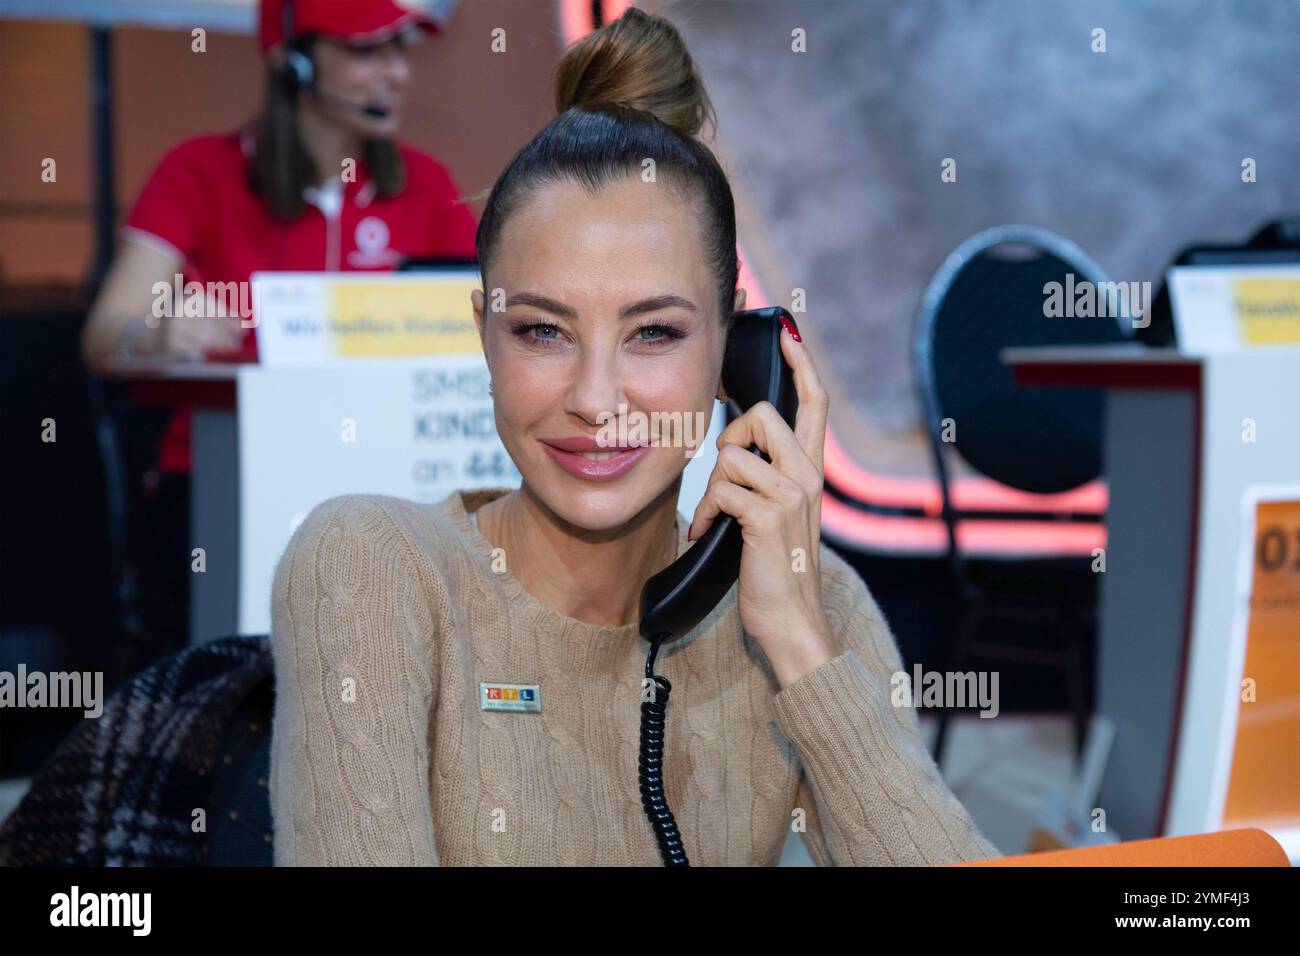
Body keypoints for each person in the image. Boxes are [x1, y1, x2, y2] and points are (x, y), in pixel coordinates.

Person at [268, 8, 1000, 866]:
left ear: (738, 352)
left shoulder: (815, 601)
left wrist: (799, 644)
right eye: (542, 331)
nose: (593, 397)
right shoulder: (375, 566)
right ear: (484, 335)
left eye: (654, 333)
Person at [80, 0, 477, 669]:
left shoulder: (427, 185)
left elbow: (485, 330)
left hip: (391, 486)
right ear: (291, 59)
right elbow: (106, 333)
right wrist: (155, 334)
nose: (396, 73)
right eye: (366, 50)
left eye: (402, 49)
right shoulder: (200, 171)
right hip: (218, 486)